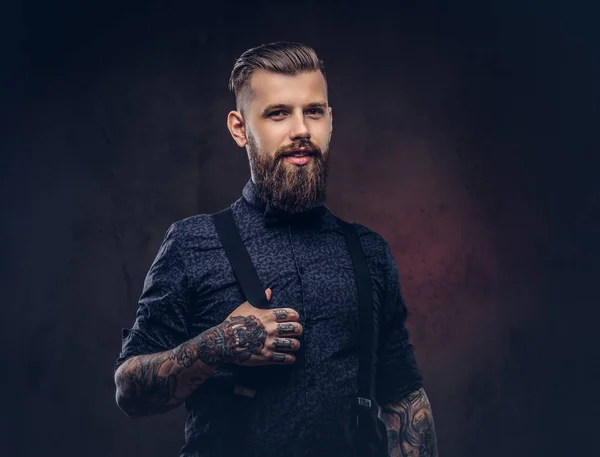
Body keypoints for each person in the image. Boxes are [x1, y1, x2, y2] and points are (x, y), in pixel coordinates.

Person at [114, 41, 438, 457]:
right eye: (278, 113)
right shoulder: (190, 243)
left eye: (314, 111)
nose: (301, 129)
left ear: (330, 122)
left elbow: (404, 401)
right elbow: (130, 392)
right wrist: (219, 344)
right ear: (239, 128)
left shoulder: (370, 252)